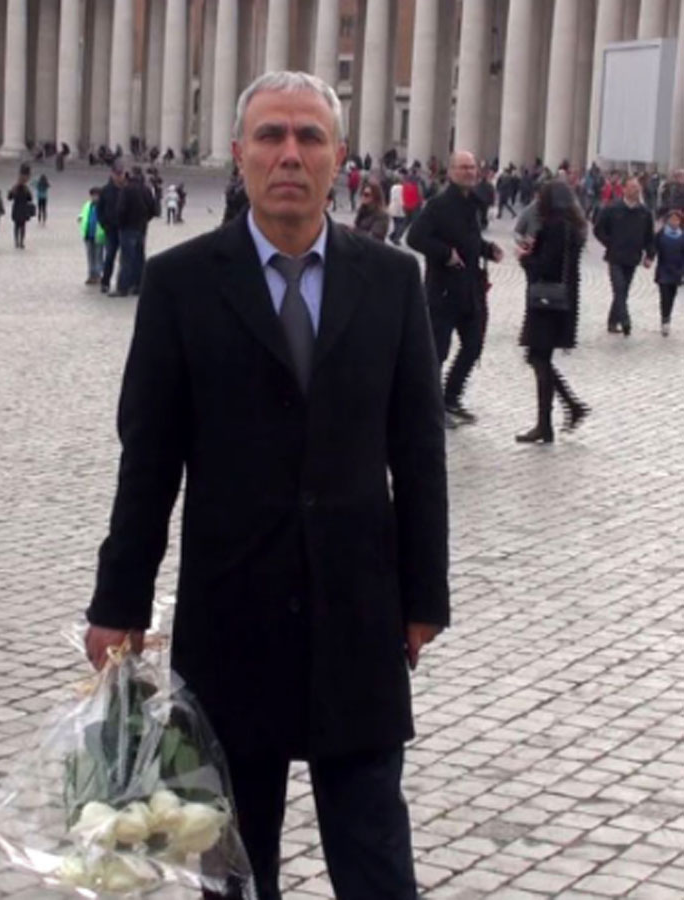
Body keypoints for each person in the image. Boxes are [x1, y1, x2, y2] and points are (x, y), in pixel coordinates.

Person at [85, 70, 449, 900]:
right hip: (231, 613)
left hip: (358, 614)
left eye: (309, 137)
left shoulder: (393, 280)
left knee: (376, 862)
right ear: (239, 155)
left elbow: (418, 451)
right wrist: (119, 603)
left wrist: (424, 596)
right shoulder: (180, 284)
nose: (290, 154)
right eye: (271, 136)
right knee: (235, 870)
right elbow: (149, 460)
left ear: (339, 158)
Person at [407, 150, 503, 427]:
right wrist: (445, 253)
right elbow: (415, 237)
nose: (469, 172)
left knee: (473, 346)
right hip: (444, 290)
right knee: (438, 352)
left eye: (472, 167)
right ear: (450, 172)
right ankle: (432, 408)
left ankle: (451, 397)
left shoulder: (473, 203)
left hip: (471, 288)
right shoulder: (438, 205)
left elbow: (469, 241)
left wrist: (488, 249)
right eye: (463, 167)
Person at [516, 180, 590, 444]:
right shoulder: (574, 228)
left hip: (547, 302)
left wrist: (525, 257)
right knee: (538, 357)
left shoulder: (554, 227)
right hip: (563, 300)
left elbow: (545, 266)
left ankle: (547, 423)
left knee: (538, 357)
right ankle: (568, 407)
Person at [593, 177, 655, 336]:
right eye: (632, 187)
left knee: (623, 291)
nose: (636, 190)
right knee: (619, 287)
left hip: (633, 257)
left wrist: (650, 255)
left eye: (637, 187)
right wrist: (609, 243)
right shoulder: (613, 209)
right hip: (615, 257)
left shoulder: (645, 213)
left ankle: (612, 321)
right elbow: (598, 229)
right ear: (624, 189)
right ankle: (625, 320)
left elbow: (649, 236)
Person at [113, 167, 157, 296]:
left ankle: (123, 288)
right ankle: (138, 285)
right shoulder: (146, 190)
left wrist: (120, 223)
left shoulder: (126, 190)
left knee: (126, 258)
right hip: (141, 228)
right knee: (139, 258)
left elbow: (121, 209)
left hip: (128, 228)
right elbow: (153, 209)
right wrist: (144, 220)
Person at [97, 161, 126, 294]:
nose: (119, 176)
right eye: (117, 174)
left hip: (125, 228)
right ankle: (105, 282)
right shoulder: (105, 190)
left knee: (125, 258)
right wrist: (104, 224)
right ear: (112, 174)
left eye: (121, 173)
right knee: (109, 256)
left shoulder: (127, 189)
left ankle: (123, 283)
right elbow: (99, 209)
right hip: (111, 229)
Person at [654, 209, 684, 336]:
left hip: (677, 272)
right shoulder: (661, 234)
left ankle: (667, 317)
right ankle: (664, 319)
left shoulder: (682, 236)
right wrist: (649, 257)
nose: (674, 222)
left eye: (677, 220)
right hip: (663, 270)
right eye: (672, 219)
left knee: (671, 297)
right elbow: (653, 248)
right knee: (664, 296)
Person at [79, 187, 106, 285]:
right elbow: (83, 214)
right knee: (90, 256)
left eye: (96, 195)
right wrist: (80, 218)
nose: (94, 197)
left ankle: (98, 275)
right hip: (88, 234)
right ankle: (91, 275)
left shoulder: (103, 206)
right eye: (93, 195)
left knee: (98, 256)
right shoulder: (87, 205)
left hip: (99, 234)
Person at [8, 172, 34, 249]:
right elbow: (30, 199)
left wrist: (11, 191)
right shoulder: (26, 189)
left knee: (16, 226)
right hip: (23, 209)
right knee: (22, 226)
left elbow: (9, 198)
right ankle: (21, 242)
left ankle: (16, 241)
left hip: (16, 208)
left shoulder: (15, 189)